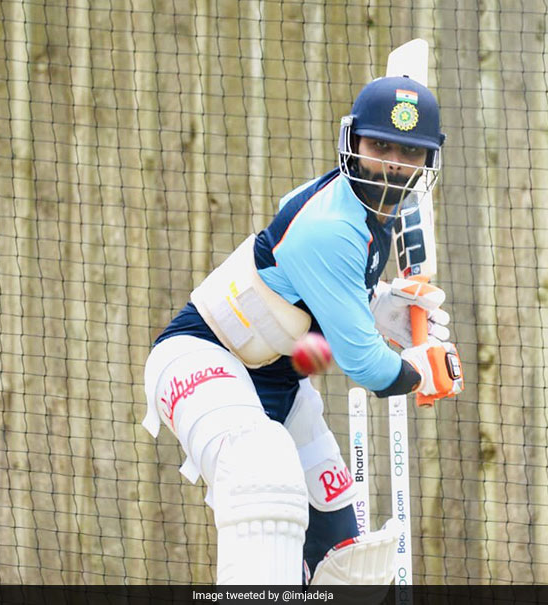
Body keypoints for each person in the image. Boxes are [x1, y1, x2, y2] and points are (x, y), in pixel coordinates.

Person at [142, 74, 464, 585]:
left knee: (349, 566)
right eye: (381, 145)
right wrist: (416, 371)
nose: (394, 164)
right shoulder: (332, 226)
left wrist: (373, 303)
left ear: (429, 159)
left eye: (411, 151)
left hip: (279, 382)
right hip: (200, 356)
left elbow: (300, 291)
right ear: (353, 142)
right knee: (262, 472)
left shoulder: (368, 213)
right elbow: (366, 367)